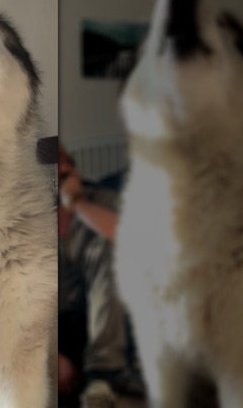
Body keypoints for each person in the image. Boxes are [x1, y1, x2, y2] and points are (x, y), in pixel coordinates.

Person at [57, 145, 144, 408]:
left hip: (99, 319)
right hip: (53, 329)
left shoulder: (98, 200)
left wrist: (77, 203)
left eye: (66, 172)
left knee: (109, 245)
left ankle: (105, 373)